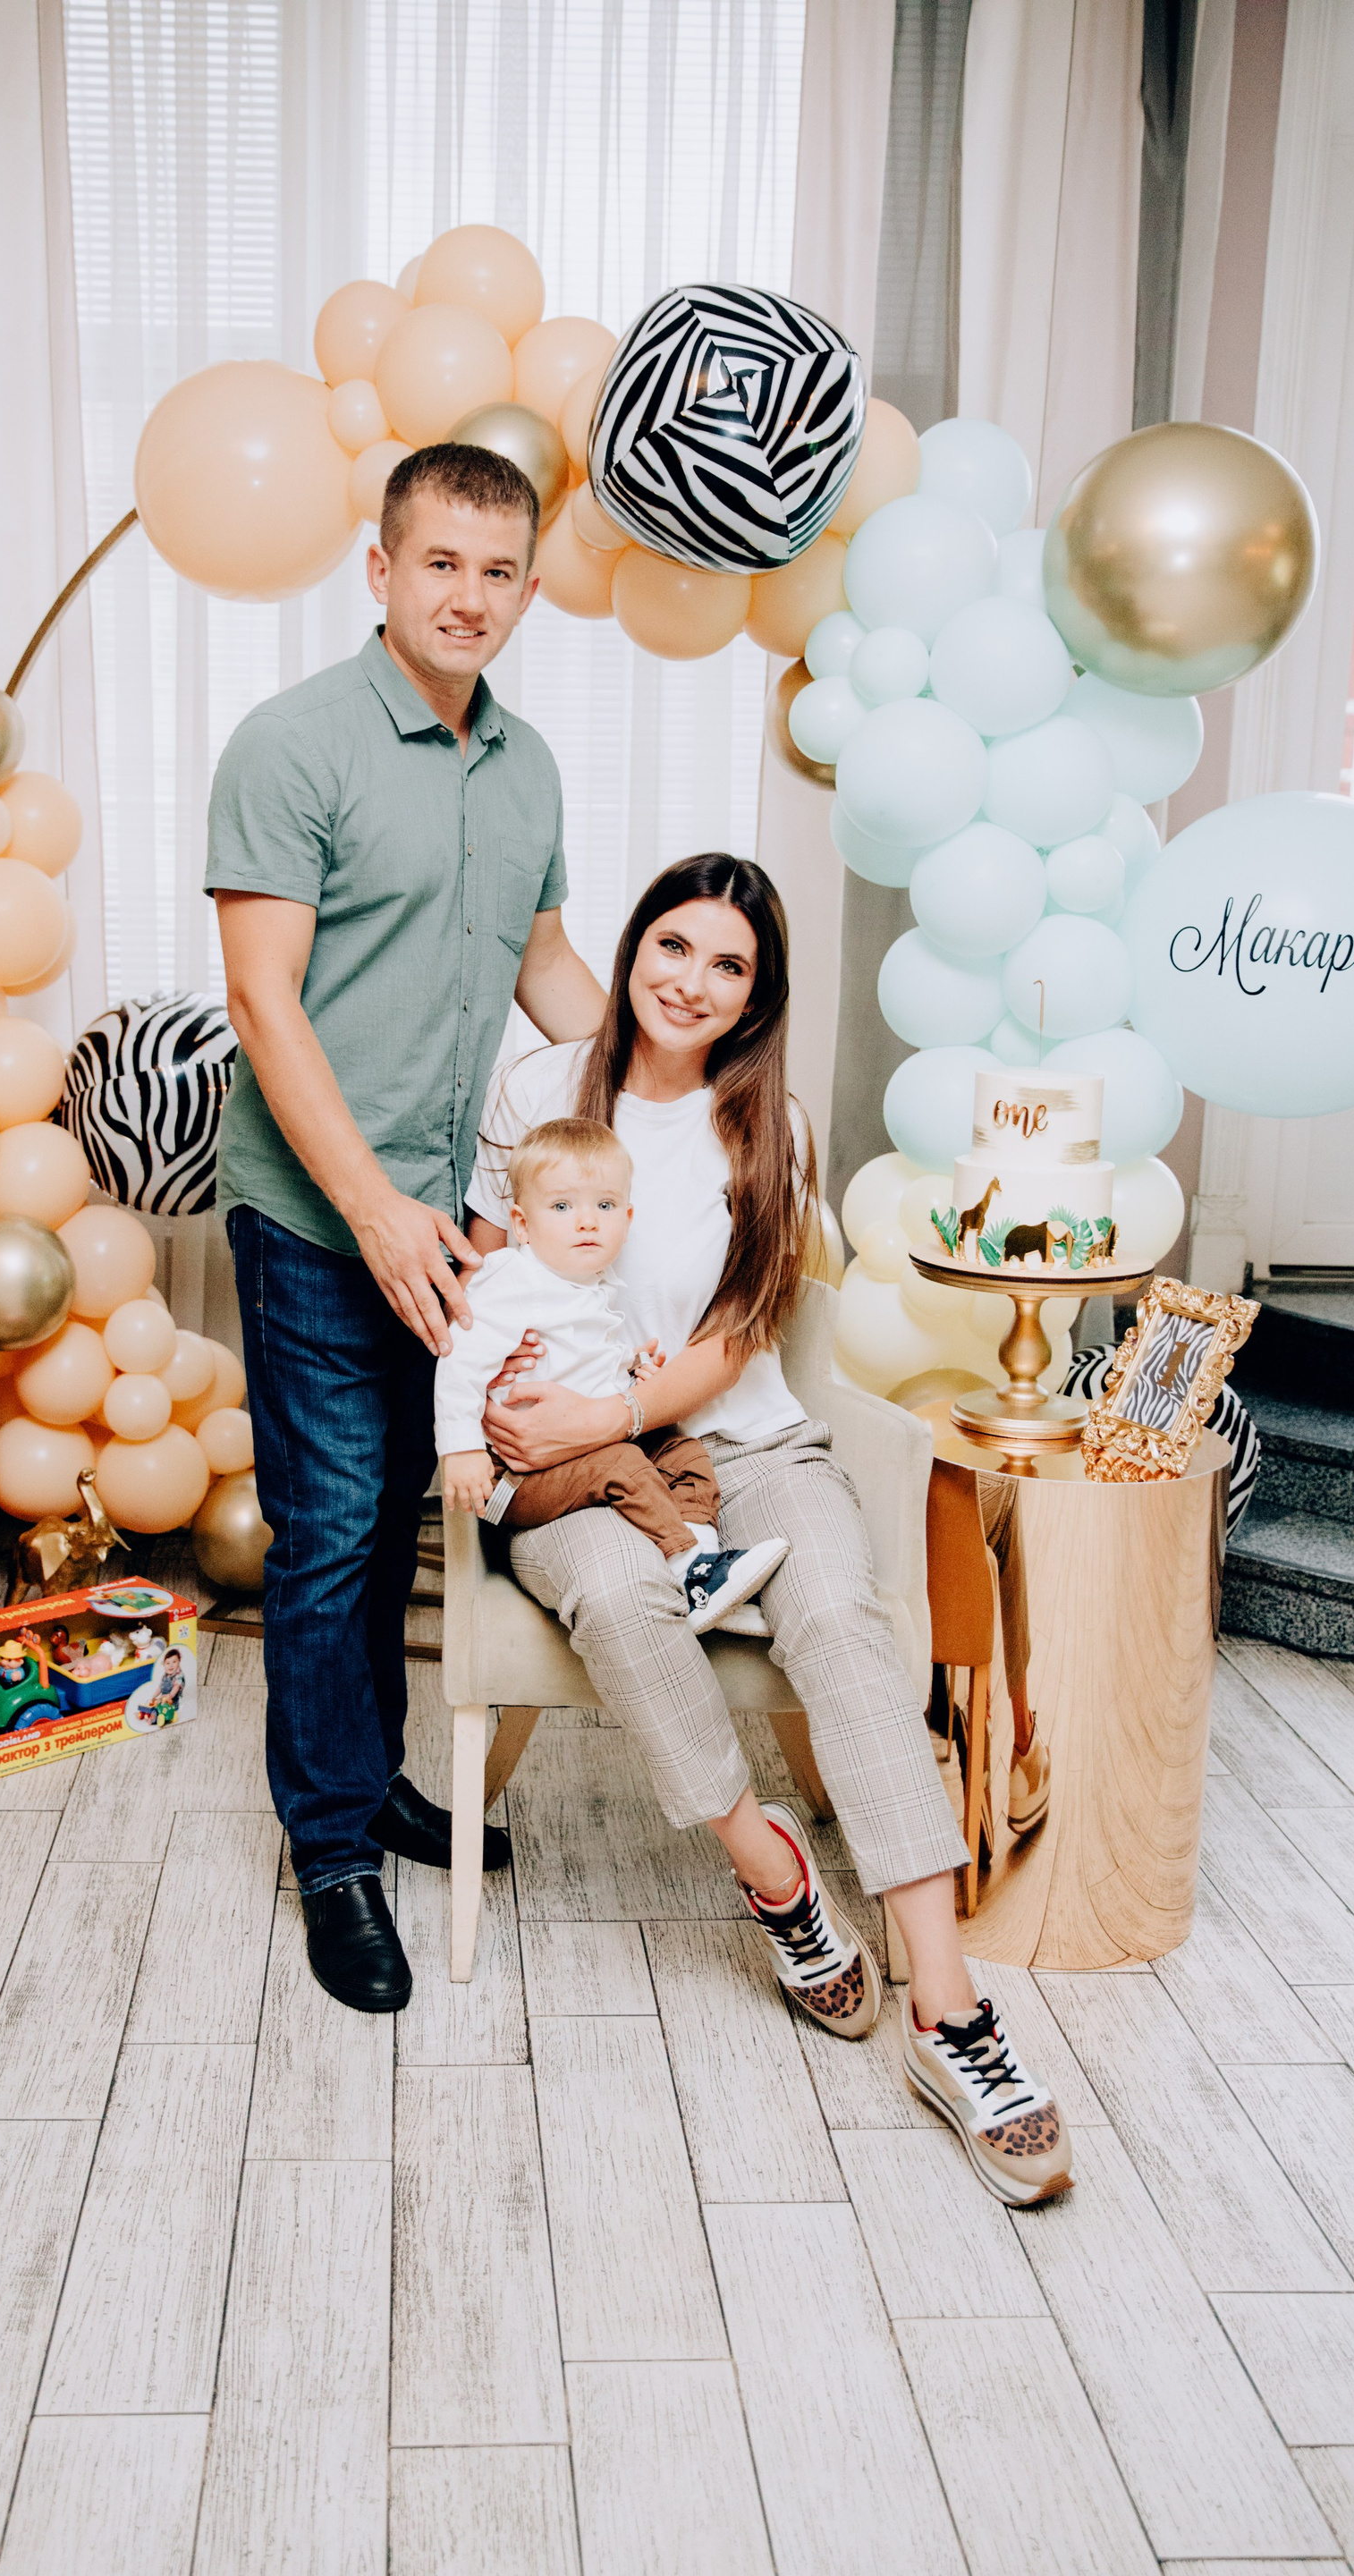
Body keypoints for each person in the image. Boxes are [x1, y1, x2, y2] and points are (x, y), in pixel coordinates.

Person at [470, 852, 1073, 2207]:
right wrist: (531, 1417)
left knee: (843, 1624)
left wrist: (616, 1405)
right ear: (633, 950)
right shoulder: (535, 1088)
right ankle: (778, 1873)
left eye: (729, 965)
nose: (692, 981)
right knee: (621, 1600)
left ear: (758, 996)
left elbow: (745, 1329)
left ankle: (949, 2013)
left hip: (741, 1439)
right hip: (572, 1466)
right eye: (673, 946)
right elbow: (484, 1282)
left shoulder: (770, 1126)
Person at [207, 443, 608, 2016]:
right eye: (440, 562)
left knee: (393, 1529)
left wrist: (679, 1090)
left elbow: (547, 973)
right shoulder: (290, 746)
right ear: (380, 571)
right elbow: (264, 1002)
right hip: (320, 1217)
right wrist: (371, 1210)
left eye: (499, 571)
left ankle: (368, 1782)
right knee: (329, 1534)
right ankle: (330, 1855)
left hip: (449, 1227)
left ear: (527, 590)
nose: (469, 596)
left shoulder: (530, 767)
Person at [436, 1114, 788, 1633]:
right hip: (515, 1478)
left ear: (627, 1217)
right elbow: (458, 1361)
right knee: (623, 1462)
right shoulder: (515, 1280)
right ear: (522, 1225)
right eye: (562, 1207)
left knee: (682, 1451)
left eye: (604, 1206)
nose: (587, 1222)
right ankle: (689, 1564)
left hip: (578, 1450)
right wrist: (461, 1449)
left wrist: (631, 1369)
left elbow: (580, 1363)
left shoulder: (590, 1283)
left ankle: (700, 1567)